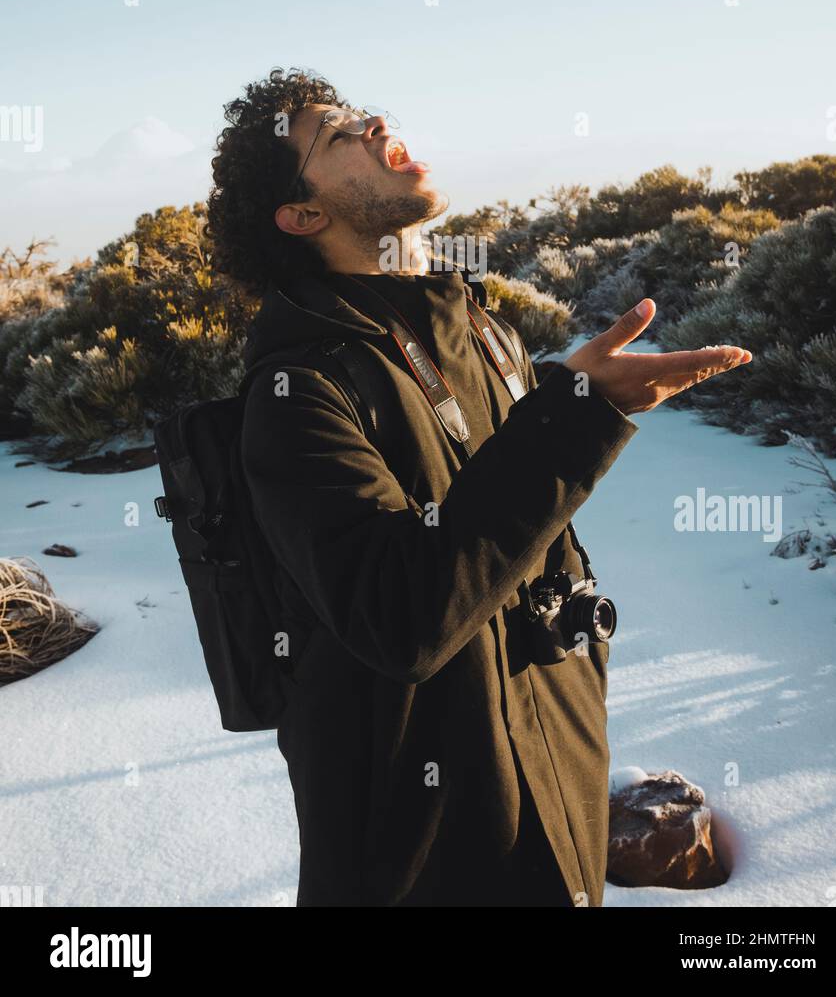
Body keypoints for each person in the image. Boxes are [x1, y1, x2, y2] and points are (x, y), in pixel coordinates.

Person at [206, 67, 751, 908]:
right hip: (430, 856)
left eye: (356, 111)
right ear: (305, 215)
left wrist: (568, 398)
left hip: (556, 794)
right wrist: (577, 415)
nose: (371, 121)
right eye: (336, 133)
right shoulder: (298, 392)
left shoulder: (485, 333)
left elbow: (499, 530)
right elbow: (406, 617)